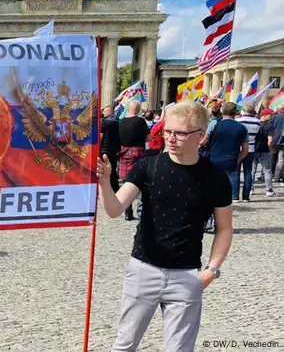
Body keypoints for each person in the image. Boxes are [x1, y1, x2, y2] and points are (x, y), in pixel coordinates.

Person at [96, 101, 233, 352]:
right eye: (166, 131)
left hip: (187, 275)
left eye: (180, 133)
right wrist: (105, 183)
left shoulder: (216, 178)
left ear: (201, 136)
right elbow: (115, 209)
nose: (170, 138)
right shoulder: (147, 166)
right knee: (124, 345)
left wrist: (211, 270)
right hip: (143, 269)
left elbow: (224, 228)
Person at [117, 100, 151, 220]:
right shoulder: (140, 121)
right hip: (137, 152)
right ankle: (141, 211)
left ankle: (128, 211)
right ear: (138, 110)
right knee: (141, 180)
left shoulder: (120, 122)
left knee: (127, 181)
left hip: (124, 152)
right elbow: (149, 138)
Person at [208, 102, 249, 202]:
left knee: (213, 183)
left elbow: (205, 139)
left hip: (214, 159)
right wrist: (238, 159)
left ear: (222, 111)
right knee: (232, 178)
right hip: (231, 159)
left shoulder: (215, 124)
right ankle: (234, 196)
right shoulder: (242, 128)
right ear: (235, 112)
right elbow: (245, 150)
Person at [235, 103, 261, 200]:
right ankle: (246, 196)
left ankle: (235, 196)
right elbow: (258, 136)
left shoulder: (238, 121)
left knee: (236, 172)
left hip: (238, 148)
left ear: (244, 110)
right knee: (248, 172)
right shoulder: (257, 122)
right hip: (250, 148)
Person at [253, 109, 275, 196]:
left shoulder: (255, 124)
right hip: (265, 150)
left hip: (254, 149)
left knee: (252, 170)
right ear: (264, 115)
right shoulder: (269, 126)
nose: (271, 116)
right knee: (267, 170)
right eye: (270, 115)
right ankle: (269, 190)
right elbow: (270, 141)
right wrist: (270, 150)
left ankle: (250, 189)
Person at [100, 106, 121, 192]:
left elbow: (101, 136)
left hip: (105, 149)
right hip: (115, 149)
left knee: (104, 169)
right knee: (113, 169)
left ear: (109, 112)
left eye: (104, 111)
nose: (103, 113)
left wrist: (98, 147)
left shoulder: (104, 122)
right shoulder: (119, 122)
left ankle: (105, 188)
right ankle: (115, 188)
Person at [269, 103, 284, 185]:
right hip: (282, 141)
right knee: (281, 159)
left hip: (273, 140)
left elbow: (270, 127)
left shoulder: (274, 117)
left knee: (272, 158)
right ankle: (277, 176)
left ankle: (269, 175)